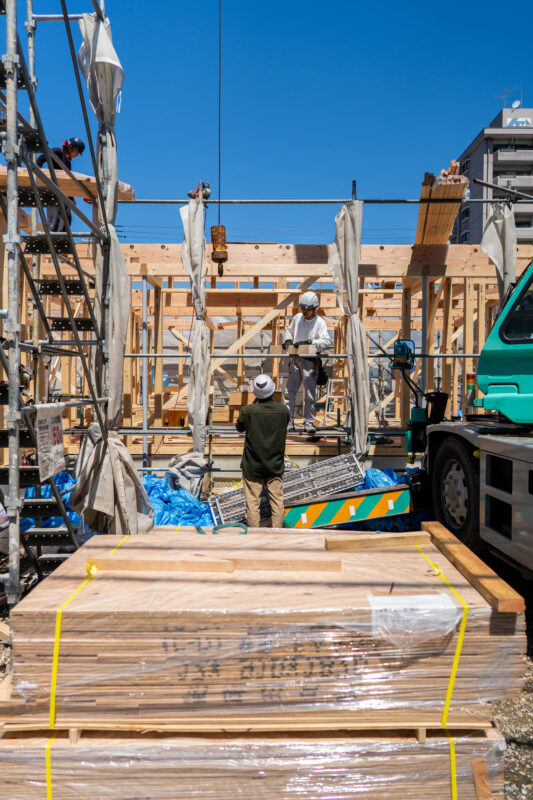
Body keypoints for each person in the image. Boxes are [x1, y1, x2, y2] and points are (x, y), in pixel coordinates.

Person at [235, 374, 290, 529]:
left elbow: (240, 427)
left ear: (256, 394)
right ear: (273, 391)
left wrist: (253, 406)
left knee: (252, 504)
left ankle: (253, 536)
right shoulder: (283, 410)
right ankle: (277, 533)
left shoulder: (248, 411)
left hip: (253, 465)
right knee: (277, 502)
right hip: (274, 465)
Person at [282, 291, 330, 433]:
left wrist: (310, 342)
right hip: (296, 359)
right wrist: (287, 340)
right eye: (303, 308)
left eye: (307, 309)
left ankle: (308, 422)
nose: (304, 311)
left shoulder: (320, 323)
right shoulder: (297, 318)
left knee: (309, 394)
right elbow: (289, 331)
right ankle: (288, 422)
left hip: (310, 361)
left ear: (315, 308)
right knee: (289, 392)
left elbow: (326, 341)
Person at [36, 137, 86, 232]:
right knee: (55, 215)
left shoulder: (68, 163)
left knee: (66, 216)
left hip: (62, 192)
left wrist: (71, 198)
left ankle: (63, 235)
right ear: (70, 147)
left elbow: (67, 181)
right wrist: (38, 169)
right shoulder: (58, 152)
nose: (76, 155)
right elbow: (42, 158)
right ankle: (55, 235)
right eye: (76, 152)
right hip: (52, 190)